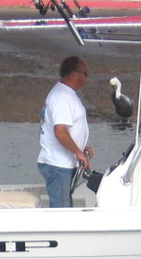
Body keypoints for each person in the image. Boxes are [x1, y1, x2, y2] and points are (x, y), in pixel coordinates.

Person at [38, 56, 94, 207]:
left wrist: (81, 147)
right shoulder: (62, 96)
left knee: (65, 206)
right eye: (85, 73)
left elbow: (68, 129)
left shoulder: (66, 94)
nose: (87, 77)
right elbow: (60, 131)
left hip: (63, 163)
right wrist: (78, 152)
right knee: (61, 210)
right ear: (74, 74)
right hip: (58, 164)